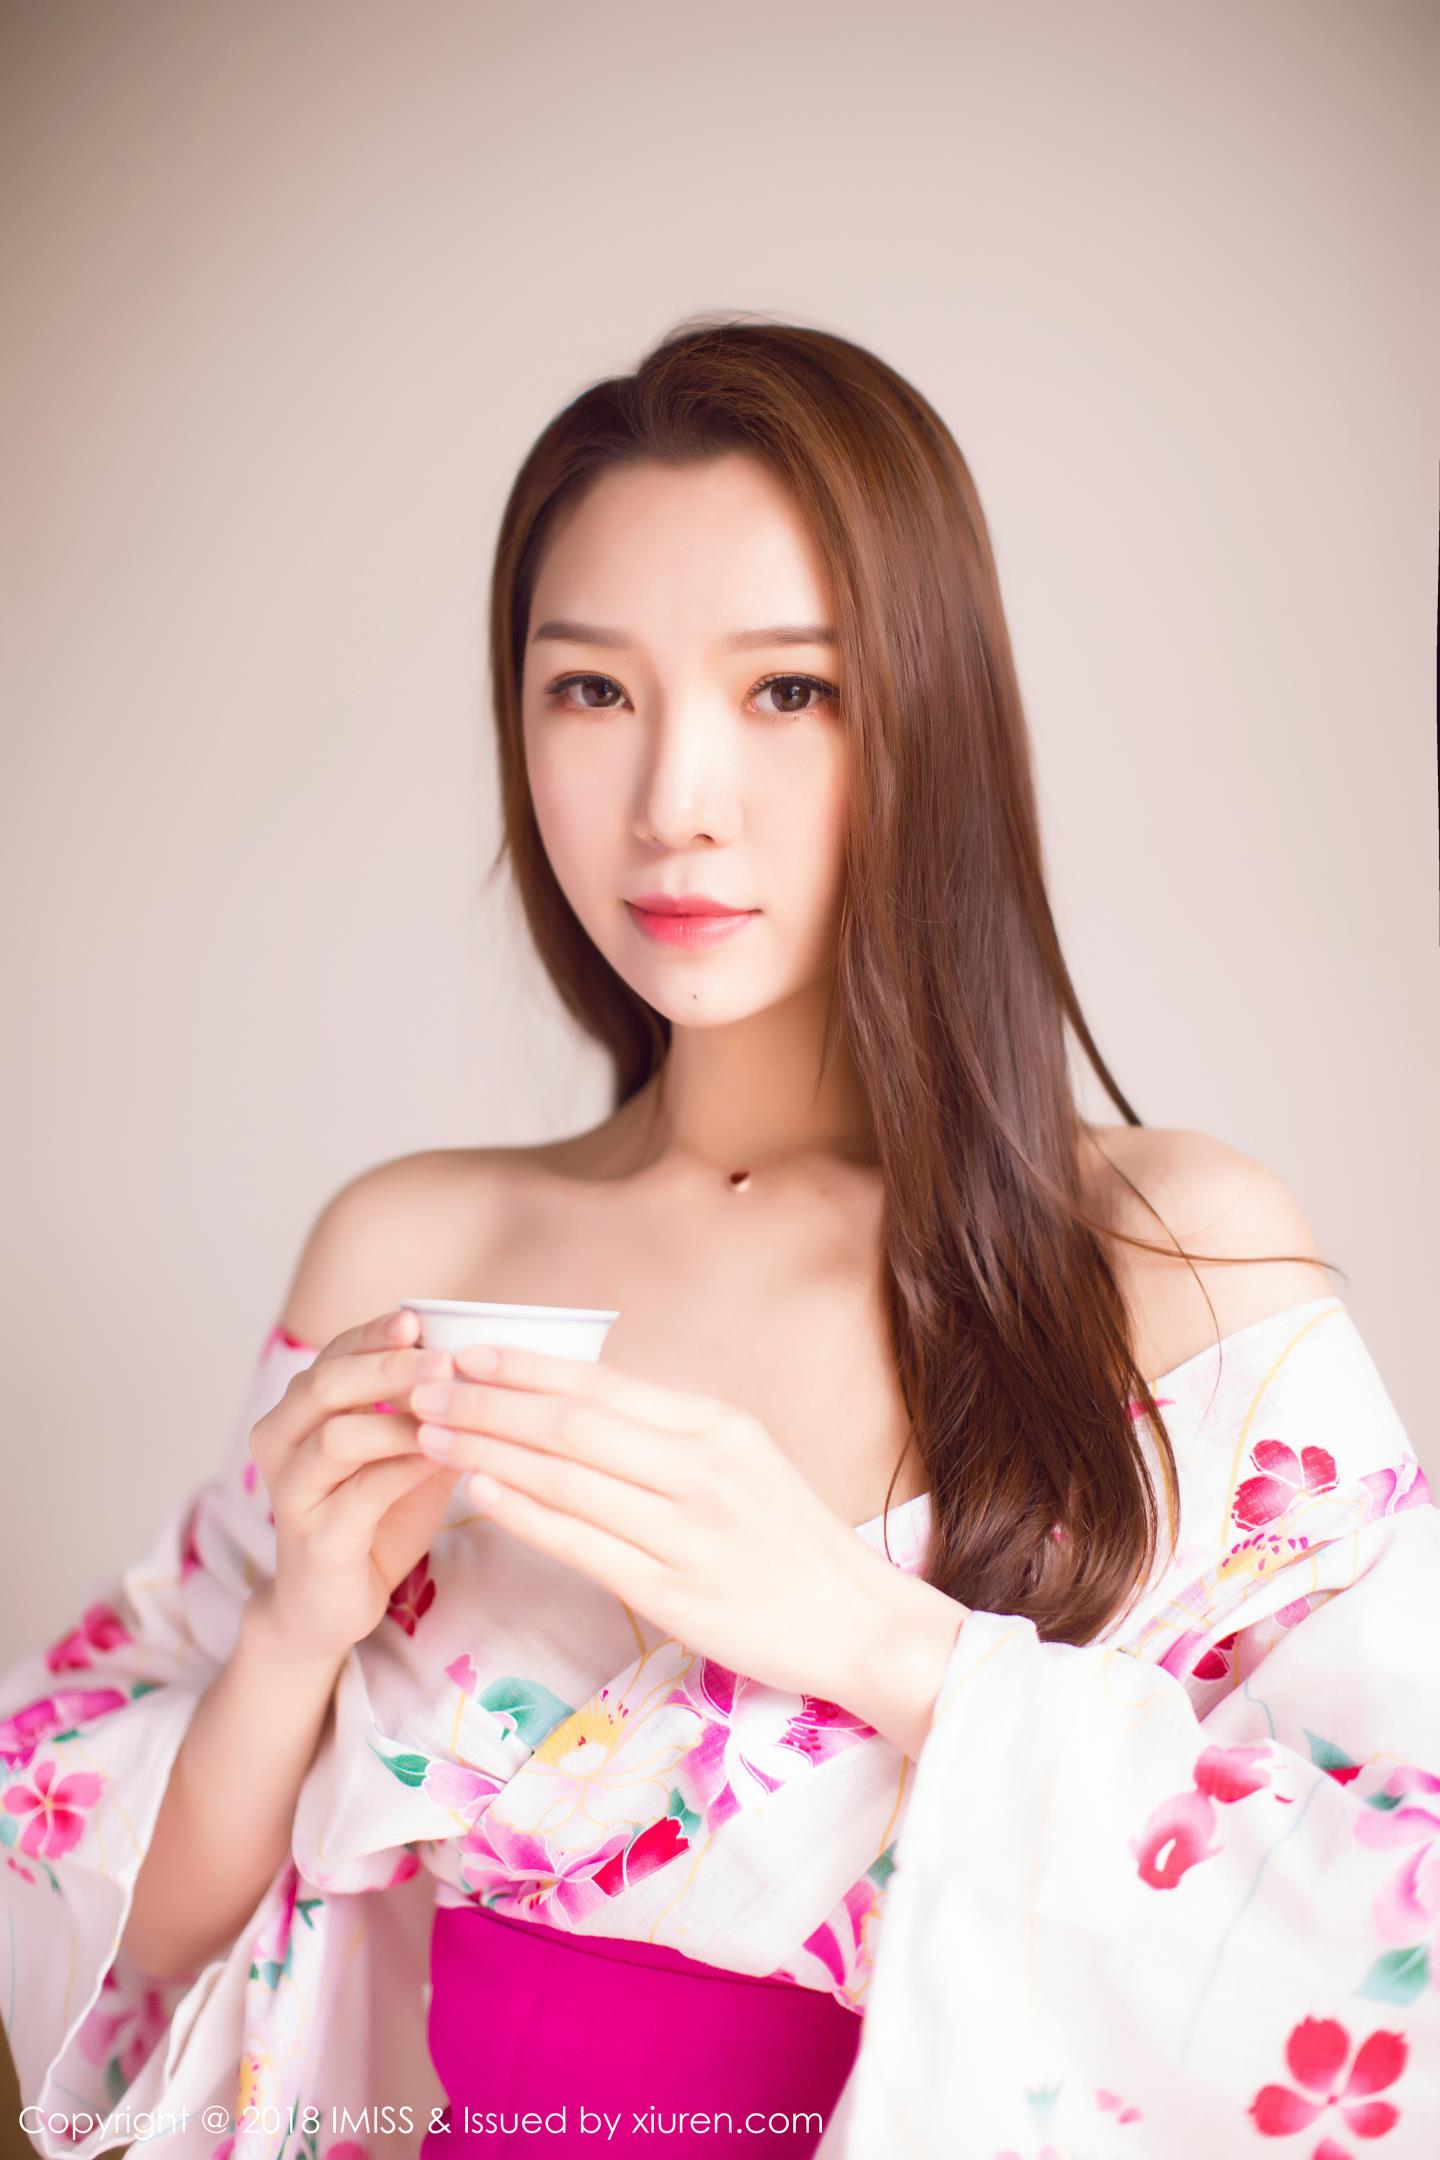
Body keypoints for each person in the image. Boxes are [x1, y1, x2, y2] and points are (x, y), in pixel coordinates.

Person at [3, 316, 1437, 2160]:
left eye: (790, 691)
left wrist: (885, 1647)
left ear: (932, 718)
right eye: (591, 690)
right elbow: (135, 1943)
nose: (673, 799)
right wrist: (297, 1630)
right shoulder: (413, 1245)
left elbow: (1390, 1922)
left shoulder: (1174, 1262)